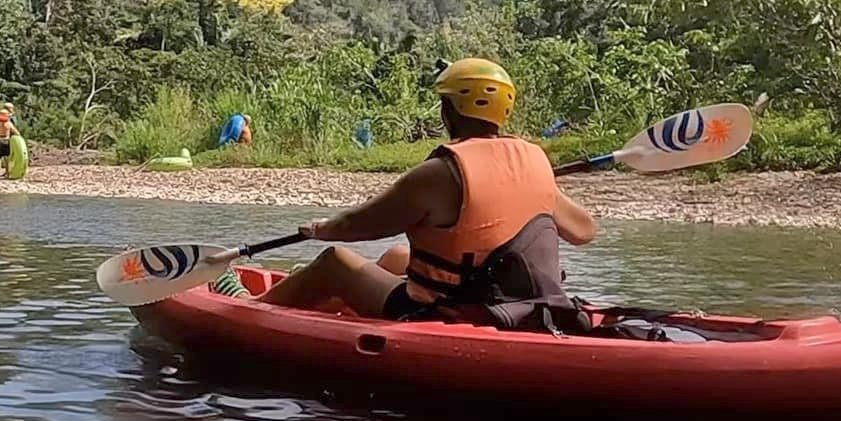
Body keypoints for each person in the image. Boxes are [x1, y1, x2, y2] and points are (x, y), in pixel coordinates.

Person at [255, 59, 597, 330]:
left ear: (447, 111)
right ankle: (334, 313)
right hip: (517, 302)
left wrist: (320, 229)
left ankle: (248, 311)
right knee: (394, 257)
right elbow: (584, 231)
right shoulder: (534, 162)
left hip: (451, 311)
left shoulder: (440, 173)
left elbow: (356, 225)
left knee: (334, 262)